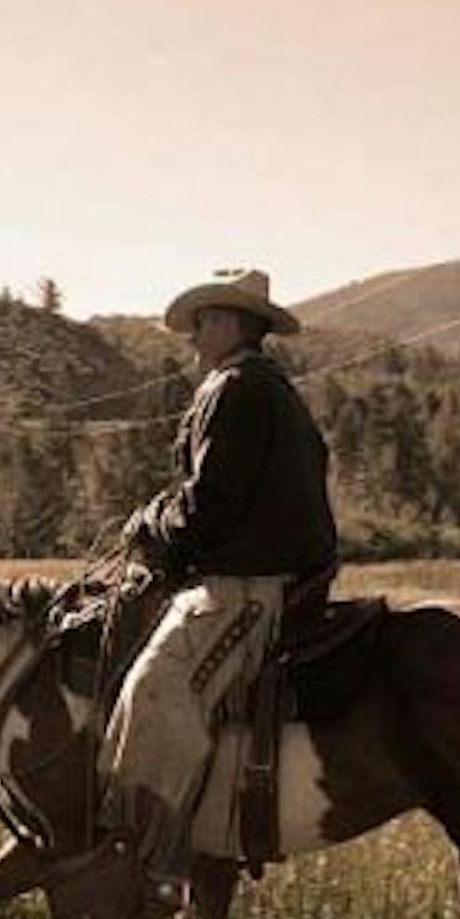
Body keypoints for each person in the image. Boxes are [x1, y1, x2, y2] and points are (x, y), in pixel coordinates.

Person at [100, 267, 338, 883]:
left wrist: (149, 524)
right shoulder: (271, 390)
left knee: (153, 692)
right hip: (274, 576)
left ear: (233, 324)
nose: (193, 334)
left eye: (203, 321)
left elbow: (209, 506)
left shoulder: (234, 389)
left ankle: (150, 864)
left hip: (246, 589)